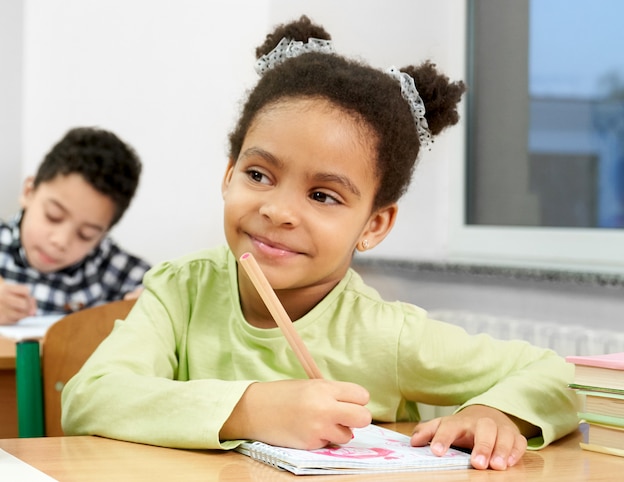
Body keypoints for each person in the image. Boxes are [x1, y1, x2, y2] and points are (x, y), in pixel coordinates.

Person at [61, 16, 578, 471]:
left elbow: (557, 374)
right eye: (259, 174)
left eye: (323, 195)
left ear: (374, 225)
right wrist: (253, 409)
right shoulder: (182, 290)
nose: (278, 211)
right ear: (228, 174)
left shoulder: (384, 333)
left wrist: (491, 413)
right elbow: (92, 397)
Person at [0, 126, 151, 325]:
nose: (60, 241)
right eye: (53, 216)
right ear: (29, 191)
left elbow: (163, 293)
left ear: (104, 233)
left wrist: (148, 308)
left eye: (85, 235)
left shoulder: (115, 269)